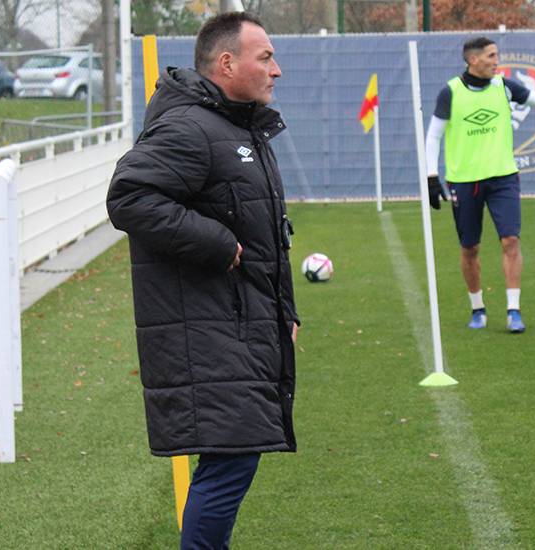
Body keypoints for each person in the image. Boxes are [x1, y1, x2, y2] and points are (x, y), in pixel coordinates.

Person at [107, 12, 298, 549]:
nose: (276, 71)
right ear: (226, 63)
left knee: (231, 460)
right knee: (230, 461)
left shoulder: (239, 128)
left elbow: (266, 237)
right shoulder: (191, 127)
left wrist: (286, 314)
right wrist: (215, 243)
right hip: (208, 330)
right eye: (265, 58)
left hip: (239, 320)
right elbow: (129, 198)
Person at [425, 36, 535, 333]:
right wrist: (431, 177)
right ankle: (478, 309)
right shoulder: (451, 92)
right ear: (473, 60)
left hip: (503, 178)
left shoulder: (504, 86)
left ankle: (513, 311)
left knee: (510, 241)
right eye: (491, 55)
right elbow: (434, 136)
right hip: (464, 181)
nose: (497, 60)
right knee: (469, 248)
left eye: (497, 55)